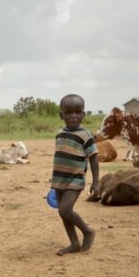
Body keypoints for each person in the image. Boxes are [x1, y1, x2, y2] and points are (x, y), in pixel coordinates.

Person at [51, 94, 98, 256]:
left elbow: (94, 158)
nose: (74, 116)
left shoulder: (86, 135)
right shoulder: (59, 134)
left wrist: (96, 182)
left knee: (65, 210)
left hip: (75, 180)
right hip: (59, 180)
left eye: (78, 112)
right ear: (61, 114)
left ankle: (87, 231)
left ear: (84, 114)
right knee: (62, 212)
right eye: (69, 112)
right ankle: (74, 243)